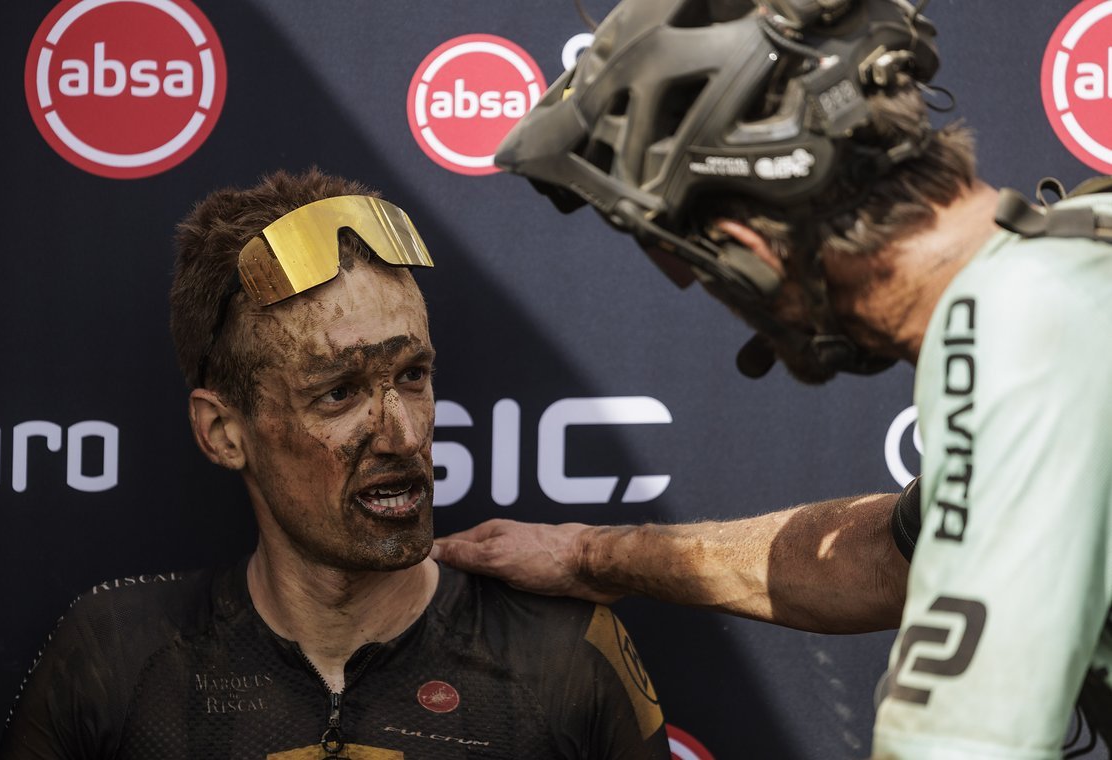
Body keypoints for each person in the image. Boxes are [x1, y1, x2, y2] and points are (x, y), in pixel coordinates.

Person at [432, 0, 1112, 756]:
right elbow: (886, 559)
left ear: (744, 247)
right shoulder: (1072, 273)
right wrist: (591, 555)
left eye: (694, 270)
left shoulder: (1017, 330)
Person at [0, 168, 670, 760]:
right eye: (339, 393)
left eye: (413, 375)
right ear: (224, 432)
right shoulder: (118, 656)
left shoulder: (565, 659)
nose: (403, 435)